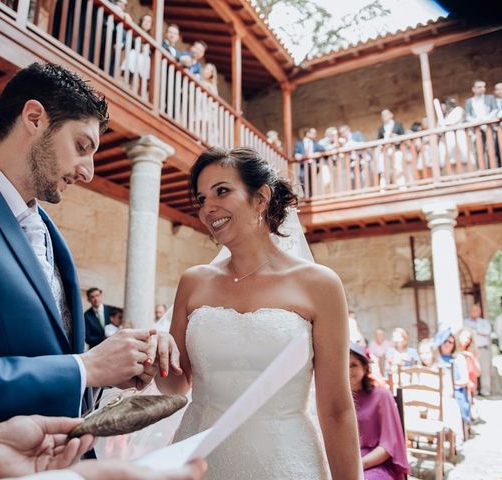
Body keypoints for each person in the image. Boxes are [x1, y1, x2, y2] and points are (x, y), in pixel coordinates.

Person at [0, 1, 207, 479]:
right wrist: (85, 368)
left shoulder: (49, 235)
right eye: (82, 146)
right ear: (34, 118)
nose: (88, 171)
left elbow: (59, 360)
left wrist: (120, 366)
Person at [155, 147, 361, 478]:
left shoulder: (319, 285)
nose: (208, 207)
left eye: (222, 191)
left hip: (283, 459)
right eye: (201, 198)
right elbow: (175, 386)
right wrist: (158, 353)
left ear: (261, 198)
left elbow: (336, 410)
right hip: (200, 456)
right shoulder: (193, 282)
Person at [349, 343, 410, 480]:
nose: (347, 371)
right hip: (346, 461)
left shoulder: (381, 395)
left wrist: (358, 465)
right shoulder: (337, 399)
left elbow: (388, 447)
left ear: (364, 367)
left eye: (353, 365)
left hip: (376, 463)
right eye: (343, 366)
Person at [434, 328, 471, 425]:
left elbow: (465, 380)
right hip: (437, 390)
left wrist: (450, 385)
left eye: (450, 342)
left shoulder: (459, 358)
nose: (447, 344)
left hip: (456, 390)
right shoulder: (435, 359)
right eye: (445, 341)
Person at [464, 303, 492, 396]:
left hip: (483, 349)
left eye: (476, 310)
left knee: (485, 370)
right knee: (472, 370)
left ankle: (485, 390)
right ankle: (473, 390)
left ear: (479, 312)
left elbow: (487, 331)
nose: (474, 312)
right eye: (473, 310)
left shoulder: (484, 322)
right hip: (471, 350)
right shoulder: (466, 322)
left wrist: (475, 329)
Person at [456, 327, 481, 400]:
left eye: (469, 338)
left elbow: (478, 373)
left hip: (469, 388)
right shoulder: (453, 352)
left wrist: (472, 357)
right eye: (464, 337)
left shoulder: (471, 354)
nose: (466, 340)